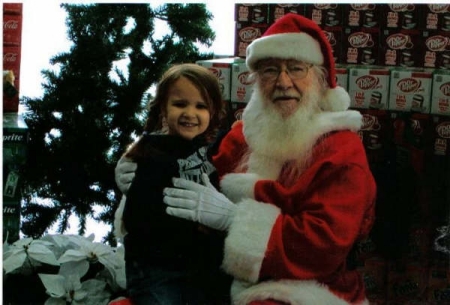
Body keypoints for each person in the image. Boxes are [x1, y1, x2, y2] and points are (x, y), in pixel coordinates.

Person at [117, 14, 376, 305]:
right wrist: (142, 175)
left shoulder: (342, 149)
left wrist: (233, 220)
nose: (283, 81)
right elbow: (194, 186)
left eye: (295, 68)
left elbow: (322, 247)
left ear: (318, 78)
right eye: (269, 71)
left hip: (307, 288)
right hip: (218, 277)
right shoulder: (245, 133)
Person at [114, 63, 231, 305]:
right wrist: (196, 229)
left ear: (213, 111)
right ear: (163, 109)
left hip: (199, 265)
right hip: (156, 267)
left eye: (201, 106)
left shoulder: (208, 149)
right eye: (180, 104)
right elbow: (138, 217)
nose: (190, 113)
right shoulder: (152, 151)